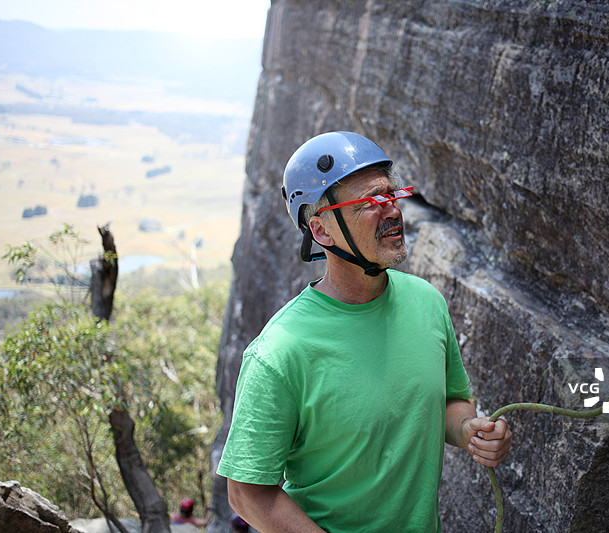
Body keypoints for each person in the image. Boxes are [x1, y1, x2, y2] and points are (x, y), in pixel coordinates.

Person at [217, 131, 512, 532]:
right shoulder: (280, 353)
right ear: (321, 232)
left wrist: (468, 430)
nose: (392, 211)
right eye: (372, 202)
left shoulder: (426, 303)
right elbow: (247, 493)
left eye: (392, 195)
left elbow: (451, 400)